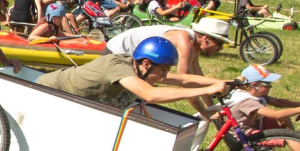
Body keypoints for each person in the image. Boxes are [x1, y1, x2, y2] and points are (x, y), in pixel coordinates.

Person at [35, 36, 229, 110]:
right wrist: (208, 90)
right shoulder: (119, 67)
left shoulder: (143, 71)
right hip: (46, 91)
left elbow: (182, 79)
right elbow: (150, 94)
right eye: (163, 70)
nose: (164, 76)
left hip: (72, 102)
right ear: (146, 63)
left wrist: (224, 81)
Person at [106, 17, 233, 112]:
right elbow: (185, 83)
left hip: (136, 60)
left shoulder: (193, 44)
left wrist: (211, 106)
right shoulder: (184, 42)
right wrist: (204, 112)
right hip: (116, 54)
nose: (221, 48)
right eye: (220, 43)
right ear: (207, 39)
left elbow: (197, 77)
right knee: (127, 101)